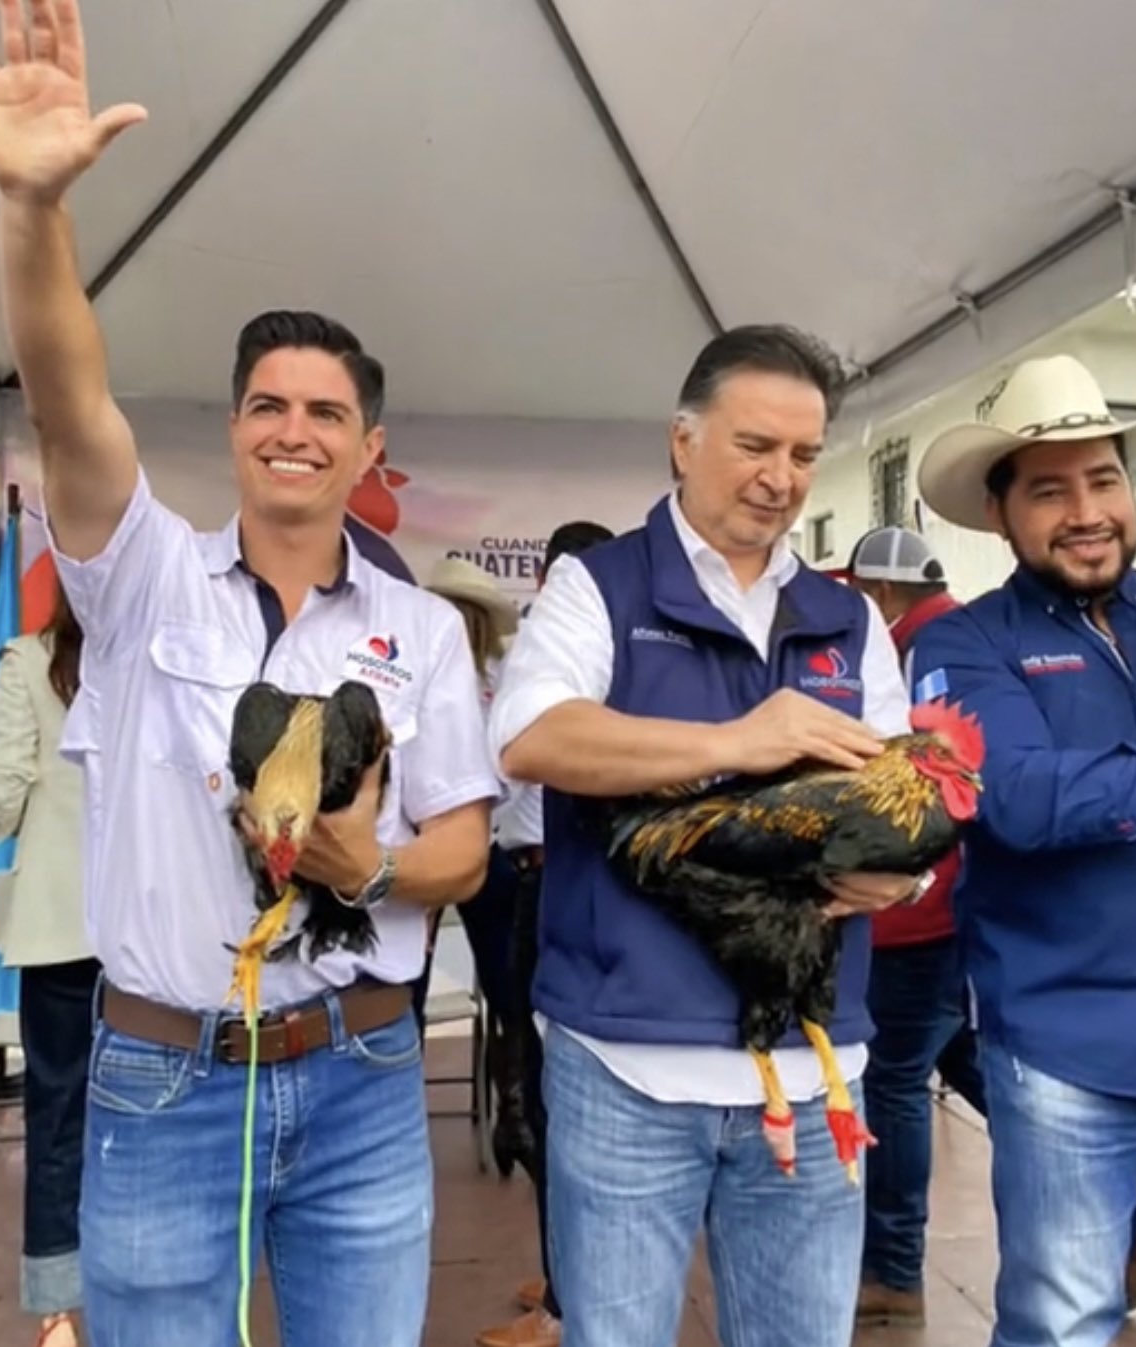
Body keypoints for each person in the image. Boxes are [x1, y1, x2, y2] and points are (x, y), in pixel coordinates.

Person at [0, 6, 497, 1344]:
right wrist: (34, 210)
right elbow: (67, 392)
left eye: (325, 411)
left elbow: (469, 853)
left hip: (370, 1073)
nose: (294, 430)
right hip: (163, 1076)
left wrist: (362, 863)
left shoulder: (420, 630)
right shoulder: (140, 578)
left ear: (369, 445)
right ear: (237, 428)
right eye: (268, 404)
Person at [490, 325, 927, 1347]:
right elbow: (532, 736)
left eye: (804, 455)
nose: (781, 478)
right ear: (683, 442)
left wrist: (895, 878)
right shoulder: (597, 586)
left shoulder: (846, 618)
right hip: (625, 1062)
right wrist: (740, 739)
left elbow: (909, 783)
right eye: (754, 446)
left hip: (817, 1068)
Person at [912, 353, 1136, 1347]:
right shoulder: (961, 647)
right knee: (1063, 1324)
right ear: (1001, 515)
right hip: (1067, 1043)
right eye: (1050, 489)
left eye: (1105, 479)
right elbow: (1020, 800)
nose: (1086, 510)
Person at [477, 519, 615, 1347]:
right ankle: (564, 1275)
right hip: (531, 876)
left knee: (558, 1093)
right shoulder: (550, 656)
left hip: (559, 877)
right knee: (537, 1078)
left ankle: (568, 1304)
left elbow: (517, 762)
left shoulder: (579, 662)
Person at [843, 527, 985, 1326]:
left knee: (893, 1081)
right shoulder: (958, 632)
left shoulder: (918, 652)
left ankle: (894, 1266)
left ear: (879, 591)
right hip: (956, 903)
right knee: (965, 1059)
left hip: (920, 904)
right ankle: (1134, 1232)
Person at [0, 588, 96, 1347]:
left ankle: (57, 1313)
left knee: (57, 1117)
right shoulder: (157, 657)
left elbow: (3, 796)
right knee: (153, 1120)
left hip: (58, 924)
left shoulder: (26, 661)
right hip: (152, 930)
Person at [421, 558, 535, 1178]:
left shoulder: (499, 679)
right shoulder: (420, 673)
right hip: (443, 847)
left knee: (508, 988)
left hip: (482, 849)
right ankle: (508, 1112)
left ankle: (512, 1112)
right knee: (415, 981)